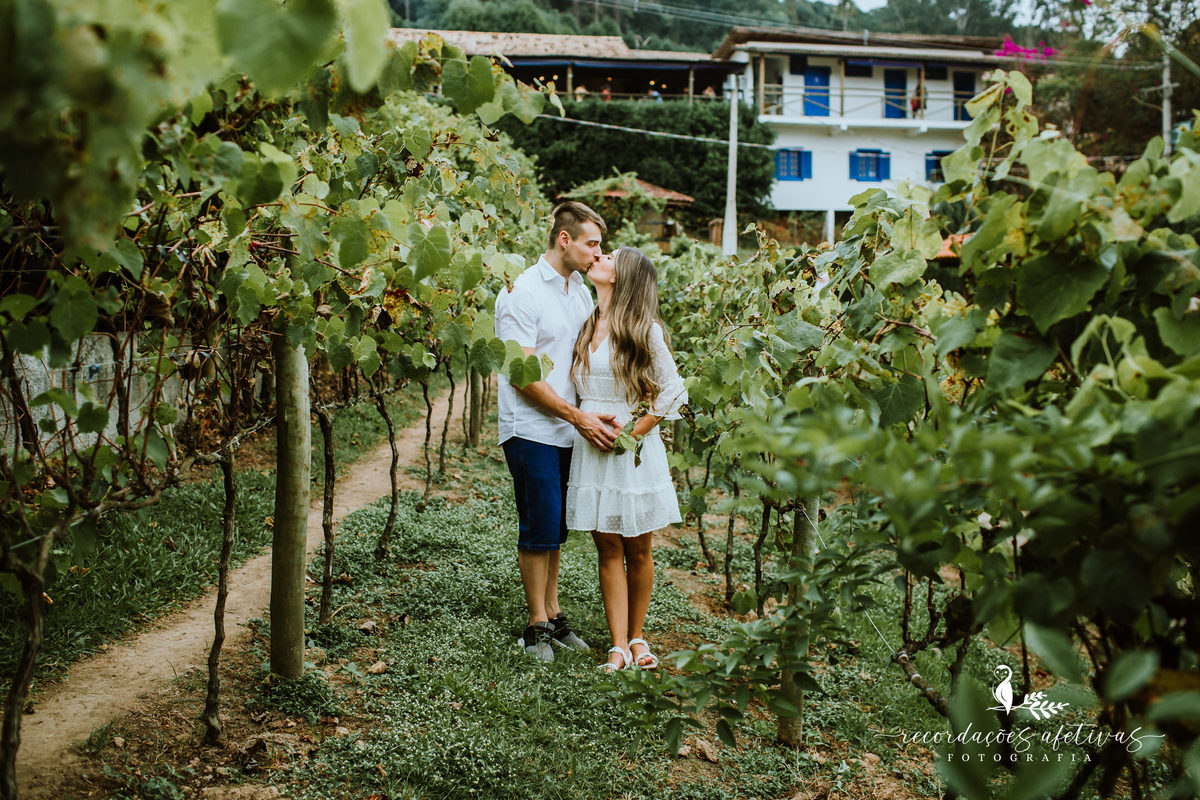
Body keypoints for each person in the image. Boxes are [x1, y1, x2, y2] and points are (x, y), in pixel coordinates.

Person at [495, 201, 623, 662]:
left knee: (558, 528)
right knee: (538, 524)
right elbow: (521, 374)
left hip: (571, 426)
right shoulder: (521, 292)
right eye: (592, 244)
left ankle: (552, 611)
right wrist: (577, 416)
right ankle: (535, 627)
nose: (597, 253)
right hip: (531, 426)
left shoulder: (580, 292)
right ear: (564, 240)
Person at [565, 247, 688, 672]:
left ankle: (637, 636)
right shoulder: (586, 323)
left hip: (630, 450)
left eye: (610, 257)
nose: (599, 257)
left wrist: (628, 437)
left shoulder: (643, 329)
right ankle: (617, 645)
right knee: (606, 547)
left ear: (623, 277)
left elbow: (673, 391)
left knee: (637, 547)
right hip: (591, 446)